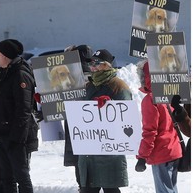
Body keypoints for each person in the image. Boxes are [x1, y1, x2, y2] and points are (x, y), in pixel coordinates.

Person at [78, 49, 131, 193]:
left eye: (97, 63)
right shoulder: (89, 86)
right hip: (89, 152)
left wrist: (110, 106)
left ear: (107, 65)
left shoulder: (118, 86)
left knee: (111, 189)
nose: (93, 66)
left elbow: (127, 117)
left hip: (109, 153)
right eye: (91, 63)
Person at [0, 39, 38, 193]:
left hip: (15, 137)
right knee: (7, 177)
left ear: (5, 56)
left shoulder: (20, 75)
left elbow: (23, 109)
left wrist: (16, 138)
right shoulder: (4, 73)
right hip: (2, 134)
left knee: (21, 176)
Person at [135, 59, 182, 193]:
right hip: (173, 150)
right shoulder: (167, 94)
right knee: (171, 189)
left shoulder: (150, 100)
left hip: (161, 153)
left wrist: (142, 157)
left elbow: (150, 132)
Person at [63, 45, 93, 191]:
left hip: (80, 130)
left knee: (82, 173)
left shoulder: (76, 77)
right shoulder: (94, 74)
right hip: (89, 132)